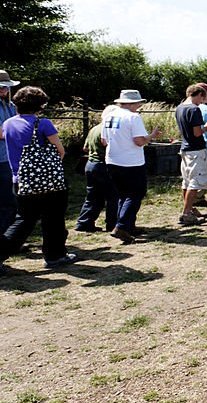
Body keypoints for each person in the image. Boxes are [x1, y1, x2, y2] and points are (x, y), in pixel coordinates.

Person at [0, 86, 77, 270]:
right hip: (49, 181)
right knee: (54, 218)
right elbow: (60, 151)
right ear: (40, 105)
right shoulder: (43, 124)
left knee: (23, 221)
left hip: (20, 179)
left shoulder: (8, 123)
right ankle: (54, 255)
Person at [102, 89, 159, 244]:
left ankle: (127, 225)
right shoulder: (133, 117)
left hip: (112, 160)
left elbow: (104, 141)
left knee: (123, 195)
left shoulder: (108, 116)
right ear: (134, 103)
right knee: (135, 194)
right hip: (131, 162)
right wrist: (151, 136)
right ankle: (121, 227)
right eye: (139, 102)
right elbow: (139, 141)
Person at [75, 105, 119, 233]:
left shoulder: (95, 128)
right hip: (104, 165)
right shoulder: (108, 129)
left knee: (93, 196)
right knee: (113, 196)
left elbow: (85, 148)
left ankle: (84, 223)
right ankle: (113, 224)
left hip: (90, 164)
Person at [175, 84, 207, 226]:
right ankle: (186, 213)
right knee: (195, 182)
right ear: (197, 95)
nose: (201, 102)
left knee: (186, 181)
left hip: (185, 149)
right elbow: (197, 132)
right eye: (201, 98)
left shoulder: (179, 108)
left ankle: (190, 209)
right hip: (196, 150)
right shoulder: (193, 109)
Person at [0, 70, 19, 234]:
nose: (4, 91)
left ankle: (10, 238)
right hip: (1, 160)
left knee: (11, 200)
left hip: (9, 157)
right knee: (7, 201)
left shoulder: (10, 106)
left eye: (6, 88)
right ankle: (6, 240)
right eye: (1, 88)